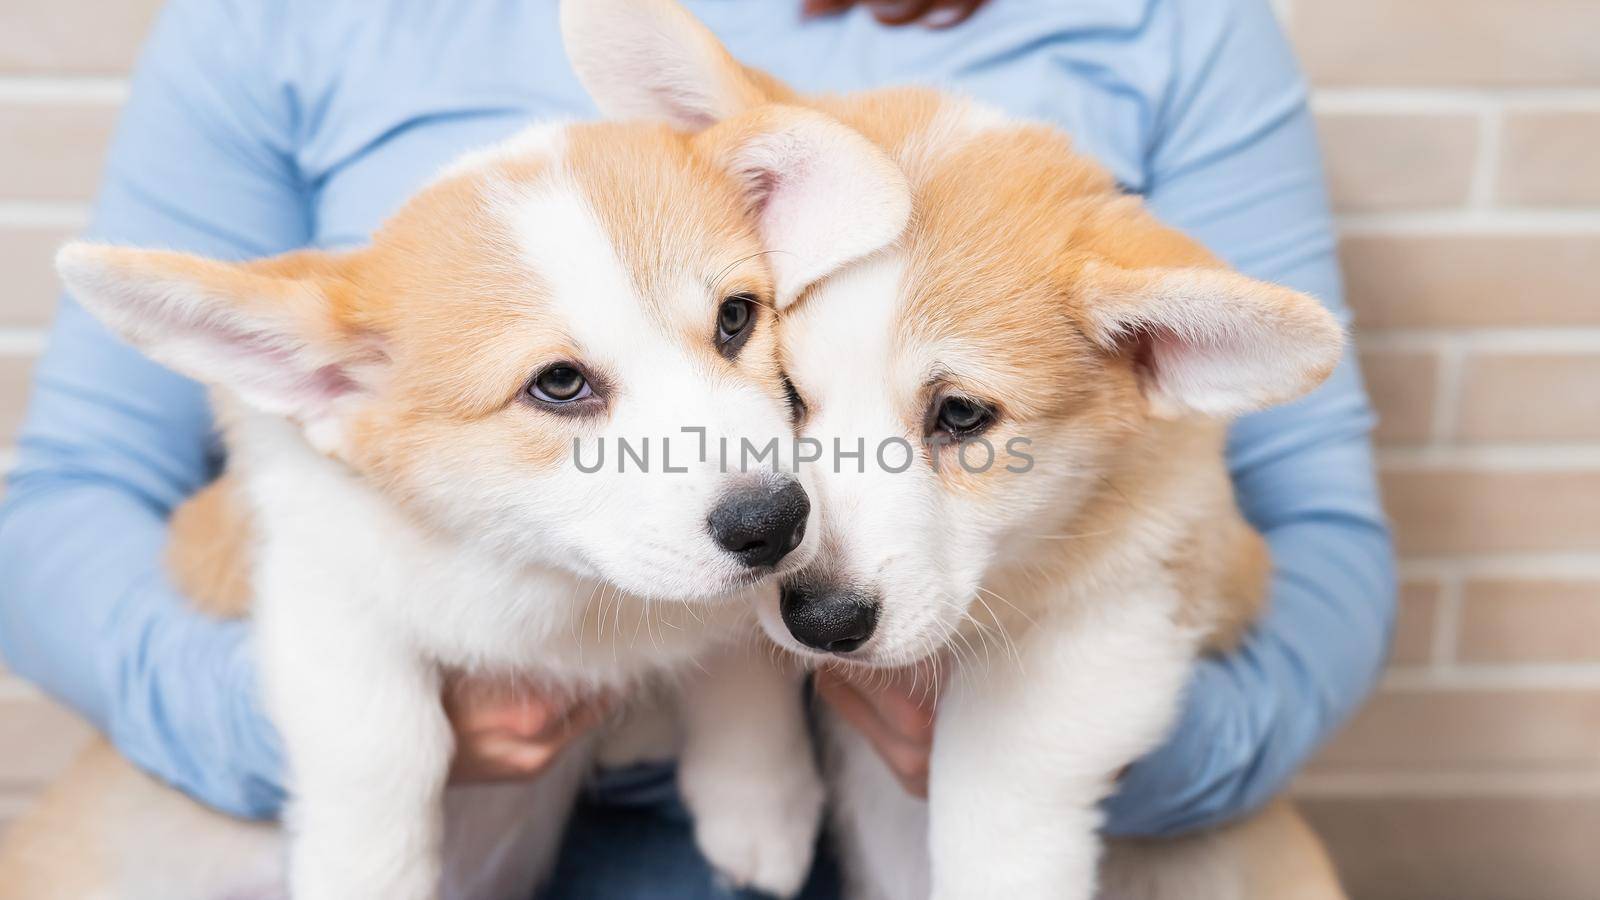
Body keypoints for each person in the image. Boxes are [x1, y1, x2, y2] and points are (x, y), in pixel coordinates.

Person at [0, 0, 1395, 896]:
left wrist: (1081, 767)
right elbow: (69, 503)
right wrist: (347, 752)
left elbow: (1313, 523)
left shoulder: (1164, 26)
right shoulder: (285, 27)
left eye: (742, 319)